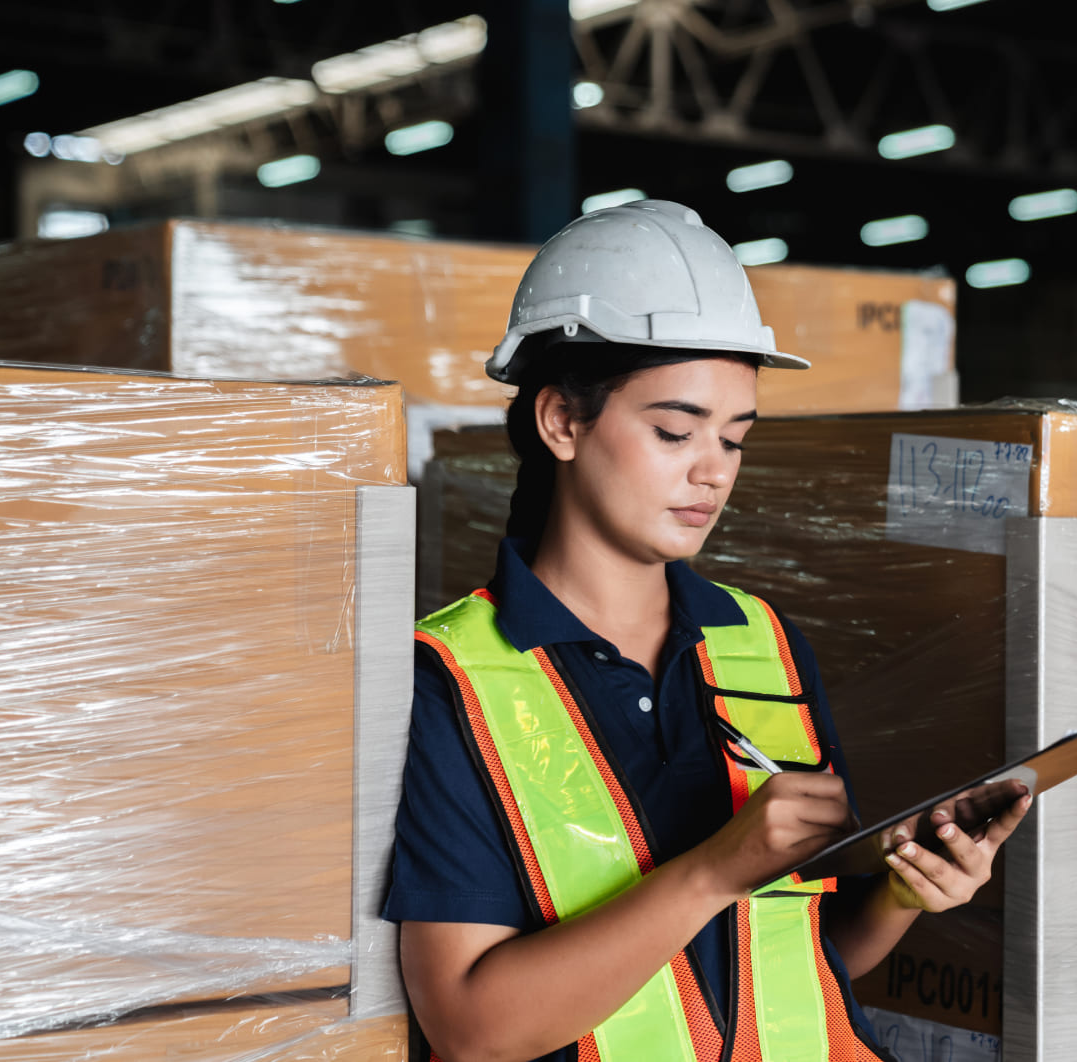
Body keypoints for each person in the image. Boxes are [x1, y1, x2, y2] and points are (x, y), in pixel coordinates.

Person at [383, 200, 1030, 1062]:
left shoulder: (759, 641)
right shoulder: (450, 678)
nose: (712, 470)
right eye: (674, 430)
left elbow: (803, 959)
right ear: (562, 422)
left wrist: (907, 894)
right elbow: (469, 1028)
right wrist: (713, 871)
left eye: (734, 438)